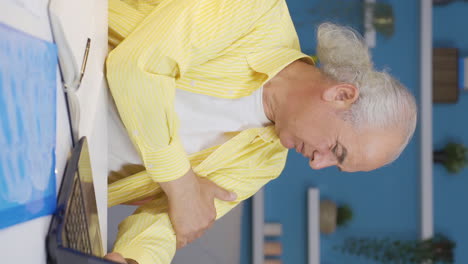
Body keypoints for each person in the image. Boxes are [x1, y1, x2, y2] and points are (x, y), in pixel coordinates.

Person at [104, 0, 417, 263]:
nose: (316, 163)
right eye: (336, 150)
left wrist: (132, 259)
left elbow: (174, 220)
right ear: (341, 95)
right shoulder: (256, 12)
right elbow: (137, 68)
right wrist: (181, 183)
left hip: (64, 166)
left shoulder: (266, 163)